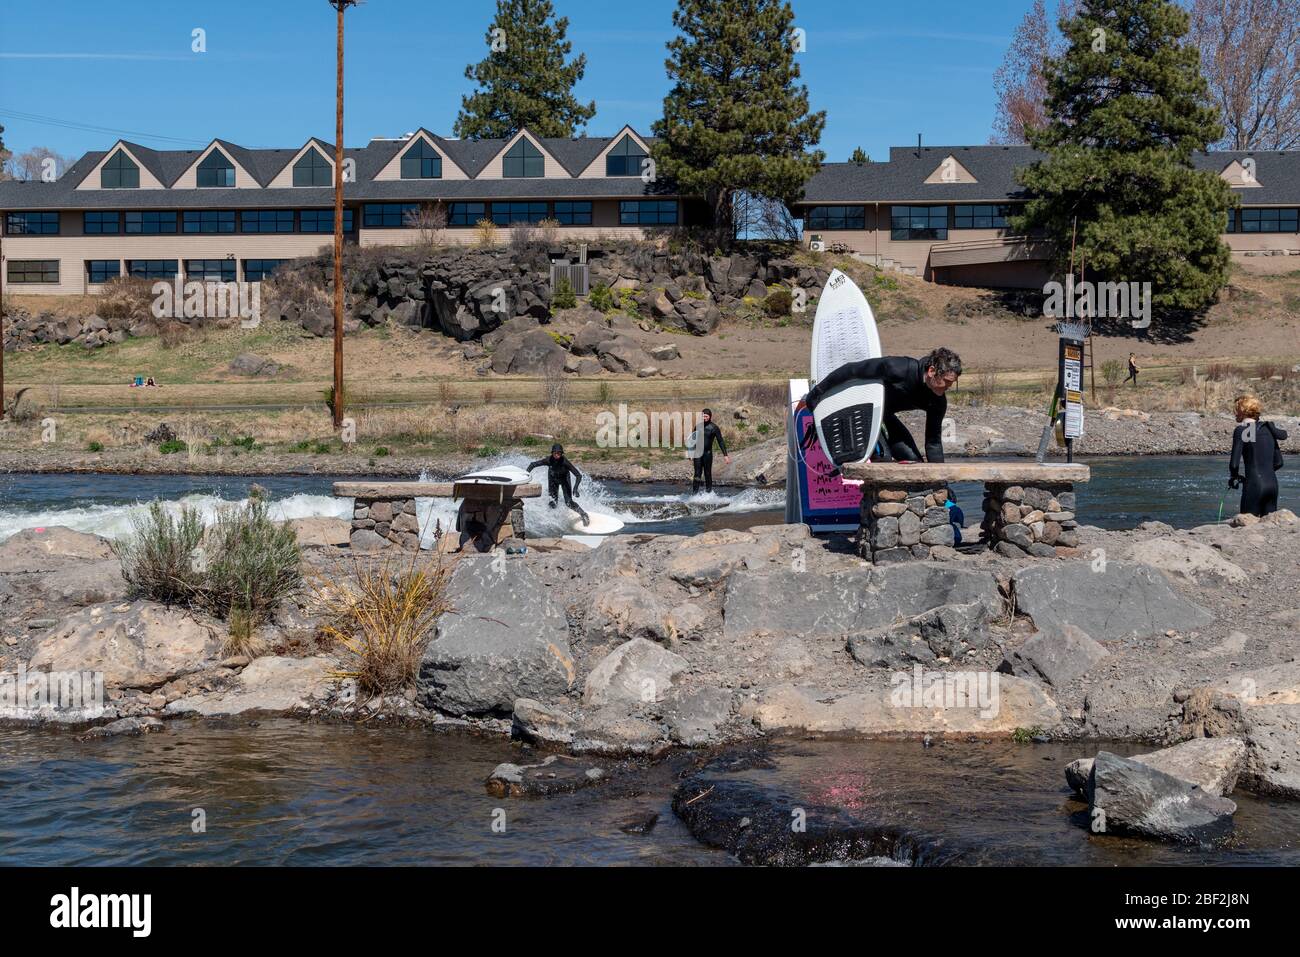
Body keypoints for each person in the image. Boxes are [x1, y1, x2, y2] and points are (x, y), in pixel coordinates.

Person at [803, 347, 962, 463]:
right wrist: (817, 392)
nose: (948, 387)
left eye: (952, 383)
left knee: (914, 462)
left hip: (885, 415)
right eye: (946, 382)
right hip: (861, 408)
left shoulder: (938, 401)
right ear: (932, 371)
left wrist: (941, 482)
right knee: (883, 458)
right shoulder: (899, 368)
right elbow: (852, 370)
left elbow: (933, 442)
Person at [1229, 394, 1287, 517]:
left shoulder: (1243, 431)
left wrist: (1235, 477)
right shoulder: (1268, 429)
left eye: (1236, 410)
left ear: (1243, 411)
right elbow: (1279, 462)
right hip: (1272, 485)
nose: (1234, 413)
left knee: (1247, 526)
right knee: (1268, 527)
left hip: (1254, 485)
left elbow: (1234, 465)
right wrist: (1265, 471)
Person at [527, 443, 589, 526]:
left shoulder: (565, 462)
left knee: (568, 502)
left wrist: (575, 489)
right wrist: (525, 476)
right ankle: (552, 519)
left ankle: (584, 514)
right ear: (552, 453)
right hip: (553, 479)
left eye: (559, 453)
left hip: (564, 479)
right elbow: (533, 465)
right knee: (552, 503)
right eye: (555, 453)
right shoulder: (548, 460)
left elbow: (578, 475)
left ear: (561, 454)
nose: (557, 455)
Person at [690, 408, 731, 494]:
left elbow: (720, 441)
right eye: (703, 416)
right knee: (697, 474)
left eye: (706, 416)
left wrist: (725, 455)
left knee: (707, 474)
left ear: (710, 416)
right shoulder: (697, 426)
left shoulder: (714, 427)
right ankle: (694, 494)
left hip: (707, 454)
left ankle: (708, 494)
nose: (704, 418)